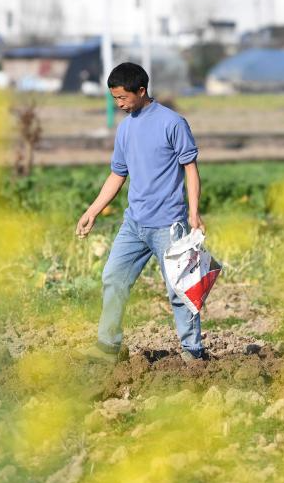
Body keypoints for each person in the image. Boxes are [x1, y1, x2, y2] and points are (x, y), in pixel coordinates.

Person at [75, 62, 206, 364]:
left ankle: (193, 353)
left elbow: (191, 168)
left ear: (141, 90)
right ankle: (109, 346)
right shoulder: (126, 128)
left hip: (168, 225)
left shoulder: (172, 123)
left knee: (180, 290)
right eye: (114, 99)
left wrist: (194, 213)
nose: (118, 104)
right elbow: (117, 174)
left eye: (122, 98)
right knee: (113, 277)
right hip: (134, 224)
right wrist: (93, 210)